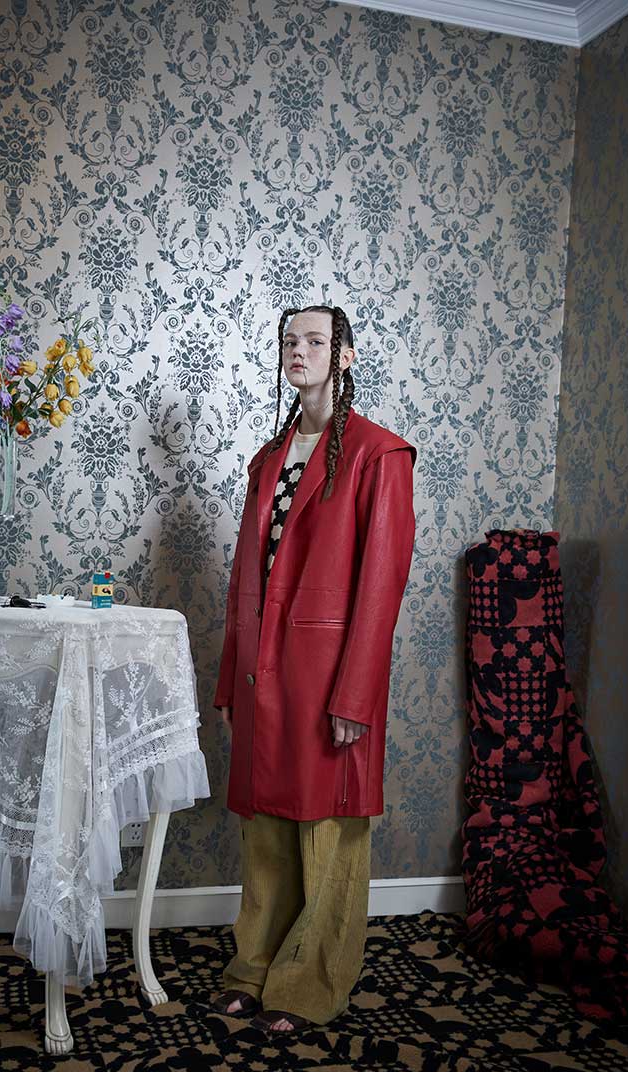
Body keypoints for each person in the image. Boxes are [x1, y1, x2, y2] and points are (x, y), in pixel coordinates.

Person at [211, 303, 417, 1034]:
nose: (299, 350)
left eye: (316, 340)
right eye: (289, 341)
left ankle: (307, 987)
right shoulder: (268, 458)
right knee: (267, 829)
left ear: (345, 356)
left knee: (327, 835)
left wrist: (355, 695)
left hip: (328, 675)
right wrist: (230, 676)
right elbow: (245, 579)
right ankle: (254, 969)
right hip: (262, 672)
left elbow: (382, 585)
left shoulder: (379, 454)